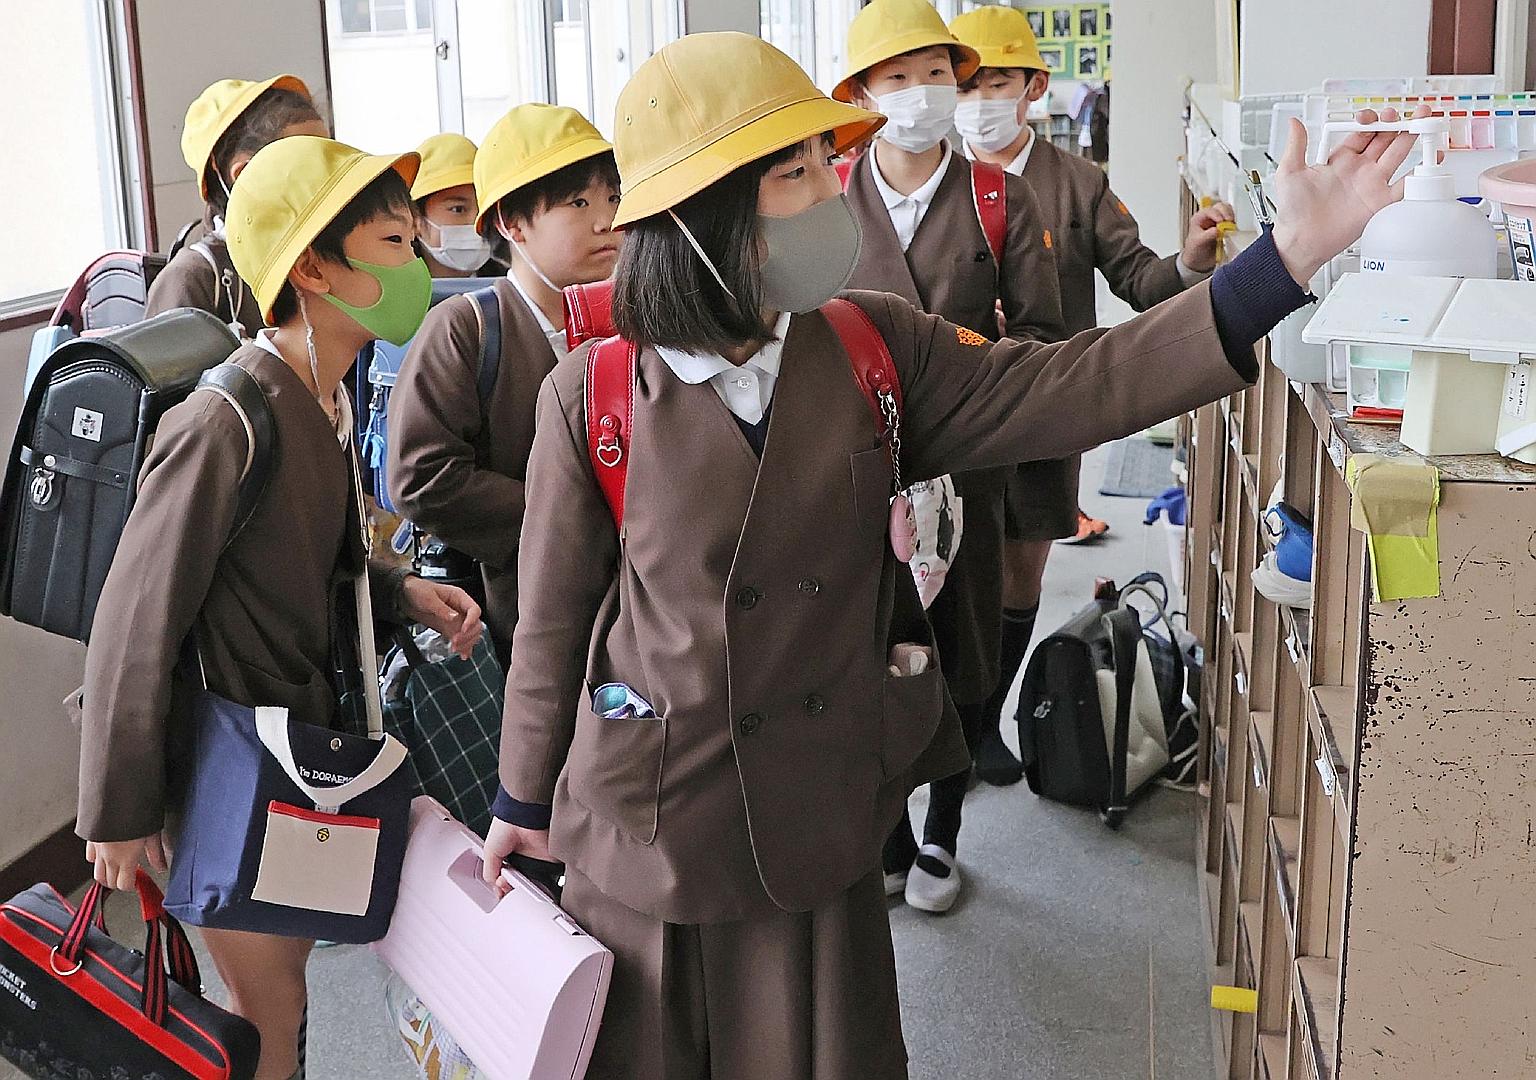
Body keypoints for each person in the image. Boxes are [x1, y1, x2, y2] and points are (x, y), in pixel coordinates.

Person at [479, 28, 1420, 1080]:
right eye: (798, 172)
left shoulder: (871, 346)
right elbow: (552, 627)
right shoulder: (595, 395)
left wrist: (1277, 266)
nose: (834, 188)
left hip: (819, 816)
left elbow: (1076, 383)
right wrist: (520, 804)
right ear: (711, 217)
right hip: (653, 823)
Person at [79, 135, 484, 1080]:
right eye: (394, 243)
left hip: (293, 756)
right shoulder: (227, 418)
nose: (418, 268)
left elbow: (303, 562)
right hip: (225, 763)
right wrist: (117, 812)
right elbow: (134, 621)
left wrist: (398, 591)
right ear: (311, 267)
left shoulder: (327, 397)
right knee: (270, 1011)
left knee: (279, 1000)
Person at [950, 3, 1237, 786]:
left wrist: (1189, 261)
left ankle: (986, 724)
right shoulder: (937, 178)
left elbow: (1142, 281)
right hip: (950, 418)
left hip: (1047, 408)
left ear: (1034, 88)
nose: (978, 99)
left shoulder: (1076, 184)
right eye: (966, 83)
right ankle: (945, 732)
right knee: (948, 579)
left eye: (997, 81)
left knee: (1020, 574)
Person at [834, 0, 1065, 913]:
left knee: (962, 647)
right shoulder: (825, 195)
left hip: (970, 466)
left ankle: (943, 832)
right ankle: (885, 829)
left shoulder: (1000, 199)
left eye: (937, 74)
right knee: (864, 644)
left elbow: (1042, 339)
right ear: (861, 94)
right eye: (897, 77)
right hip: (854, 465)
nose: (922, 95)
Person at [388, 103, 621, 665]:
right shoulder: (465, 327)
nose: (605, 220)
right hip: (520, 616)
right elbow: (422, 477)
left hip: (630, 609)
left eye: (613, 198)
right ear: (513, 225)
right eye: (578, 203)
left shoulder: (635, 318)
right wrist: (568, 513)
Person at [146, 75, 328, 339]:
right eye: (309, 162)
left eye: (332, 156)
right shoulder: (192, 279)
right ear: (244, 175)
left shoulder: (318, 253)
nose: (330, 173)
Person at [410, 132, 502, 278]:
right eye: (458, 209)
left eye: (483, 208)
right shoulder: (396, 294)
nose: (476, 222)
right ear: (415, 220)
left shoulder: (511, 289)